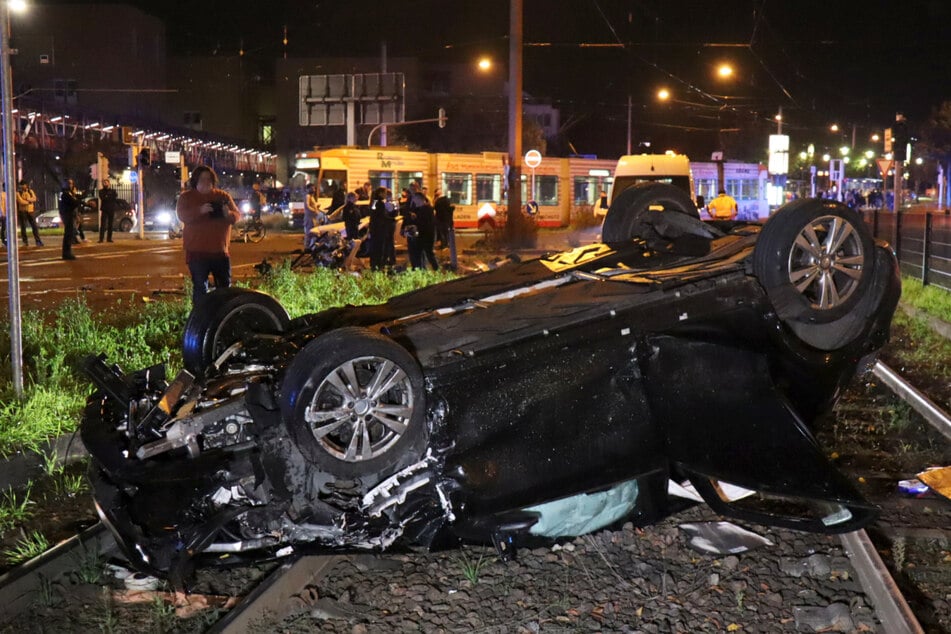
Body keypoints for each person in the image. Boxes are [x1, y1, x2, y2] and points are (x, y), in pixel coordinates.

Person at [176, 165, 241, 305]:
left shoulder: (222, 196)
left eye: (209, 179)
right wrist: (200, 210)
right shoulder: (186, 197)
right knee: (200, 287)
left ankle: (222, 317)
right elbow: (182, 216)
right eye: (202, 179)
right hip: (197, 252)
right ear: (195, 180)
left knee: (224, 288)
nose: (206, 182)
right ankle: (200, 317)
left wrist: (227, 214)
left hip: (220, 251)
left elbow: (236, 216)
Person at [407, 192, 438, 270]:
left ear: (419, 199)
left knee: (428, 253)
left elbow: (425, 223)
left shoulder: (426, 209)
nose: (414, 201)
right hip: (423, 235)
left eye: (415, 199)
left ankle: (435, 269)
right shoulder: (423, 209)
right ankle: (423, 270)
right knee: (422, 253)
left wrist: (415, 221)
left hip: (425, 235)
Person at [368, 187, 394, 270]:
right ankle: (379, 265)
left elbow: (373, 216)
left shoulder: (374, 202)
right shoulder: (380, 203)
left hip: (374, 229)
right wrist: (393, 219)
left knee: (374, 247)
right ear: (380, 193)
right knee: (380, 248)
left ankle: (373, 264)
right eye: (385, 193)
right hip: (380, 229)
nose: (386, 195)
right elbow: (382, 217)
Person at [59, 178, 83, 259]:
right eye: (69, 183)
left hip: (69, 215)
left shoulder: (68, 194)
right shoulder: (65, 194)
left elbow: (75, 202)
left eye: (72, 183)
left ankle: (67, 252)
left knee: (69, 234)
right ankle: (66, 253)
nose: (71, 185)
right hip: (67, 215)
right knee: (68, 234)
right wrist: (78, 197)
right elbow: (74, 203)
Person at [15, 180, 42, 247]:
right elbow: (21, 201)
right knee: (23, 227)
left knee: (34, 226)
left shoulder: (30, 191)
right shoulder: (18, 193)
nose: (22, 186)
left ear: (26, 185)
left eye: (23, 184)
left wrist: (28, 200)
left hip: (30, 211)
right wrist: (29, 201)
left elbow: (34, 198)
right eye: (21, 185)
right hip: (22, 211)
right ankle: (25, 242)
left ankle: (38, 241)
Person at [98, 177, 119, 243]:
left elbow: (114, 197)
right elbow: (103, 198)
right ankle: (101, 239)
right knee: (103, 225)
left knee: (110, 224)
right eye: (104, 183)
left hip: (111, 209)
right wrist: (108, 196)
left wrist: (107, 196)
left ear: (109, 183)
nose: (105, 184)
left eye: (106, 182)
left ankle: (109, 238)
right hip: (104, 209)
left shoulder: (113, 191)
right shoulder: (101, 191)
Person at [304, 183, 321, 250]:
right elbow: (307, 206)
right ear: (308, 189)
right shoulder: (307, 196)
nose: (314, 189)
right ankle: (307, 247)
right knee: (309, 232)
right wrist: (314, 210)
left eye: (314, 188)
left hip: (314, 217)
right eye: (312, 188)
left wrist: (317, 206)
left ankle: (312, 247)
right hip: (309, 217)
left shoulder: (312, 196)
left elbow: (313, 205)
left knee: (314, 232)